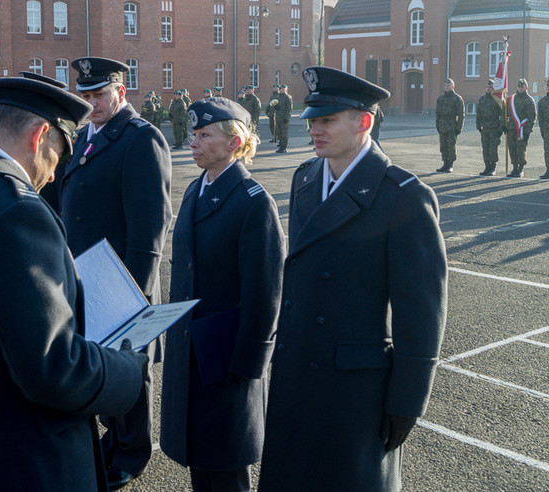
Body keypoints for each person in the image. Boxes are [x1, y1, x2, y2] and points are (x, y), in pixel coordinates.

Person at [0, 76, 148, 491]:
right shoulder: (18, 212)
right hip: (18, 449)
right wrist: (127, 370)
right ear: (39, 137)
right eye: (60, 153)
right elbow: (54, 367)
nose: (54, 175)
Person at [258, 66, 447, 491]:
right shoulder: (306, 178)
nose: (314, 129)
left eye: (326, 119)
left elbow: (421, 313)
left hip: (354, 389)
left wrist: (407, 402)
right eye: (312, 119)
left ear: (364, 122)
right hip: (297, 372)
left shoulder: (402, 197)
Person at [42, 56, 173, 490]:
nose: (93, 102)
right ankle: (111, 439)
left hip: (122, 277)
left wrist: (133, 292)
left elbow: (151, 225)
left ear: (121, 90)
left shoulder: (140, 139)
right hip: (85, 274)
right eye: (87, 94)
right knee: (99, 361)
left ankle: (132, 452)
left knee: (131, 366)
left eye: (100, 94)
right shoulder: (84, 138)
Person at [160, 98, 285, 492]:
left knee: (227, 468)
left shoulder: (252, 202)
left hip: (226, 358)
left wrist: (248, 366)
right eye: (194, 134)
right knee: (201, 459)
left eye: (204, 135)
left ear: (235, 142)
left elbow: (266, 293)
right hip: (193, 351)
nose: (194, 142)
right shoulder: (197, 189)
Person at [506, 79, 537, 178]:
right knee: (512, 148)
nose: (520, 88)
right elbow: (506, 113)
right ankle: (514, 167)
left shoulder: (529, 100)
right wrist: (504, 125)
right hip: (511, 128)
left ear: (526, 88)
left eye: (522, 87)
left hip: (522, 129)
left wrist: (528, 130)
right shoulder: (511, 99)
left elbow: (532, 117)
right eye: (519, 87)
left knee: (521, 149)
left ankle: (520, 169)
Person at [476, 79, 506, 176]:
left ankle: (493, 167)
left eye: (490, 87)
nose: (488, 89)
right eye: (487, 87)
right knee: (485, 148)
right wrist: (478, 125)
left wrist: (501, 127)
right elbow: (479, 113)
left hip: (494, 127)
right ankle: (487, 166)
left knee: (493, 148)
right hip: (485, 127)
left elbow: (503, 114)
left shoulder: (497, 99)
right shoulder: (482, 99)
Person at [435, 78, 465, 173]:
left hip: (452, 125)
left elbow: (461, 115)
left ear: (453, 87)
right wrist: (437, 125)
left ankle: (450, 165)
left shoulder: (457, 99)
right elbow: (437, 113)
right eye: (446, 85)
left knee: (451, 146)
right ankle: (445, 164)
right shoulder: (440, 99)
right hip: (442, 125)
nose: (447, 87)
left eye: (449, 85)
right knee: (443, 146)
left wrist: (459, 127)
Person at [274, 84, 293, 153]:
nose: (281, 90)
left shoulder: (288, 97)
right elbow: (274, 104)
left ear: (286, 90)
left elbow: (289, 109)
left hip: (284, 118)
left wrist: (287, 117)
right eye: (281, 89)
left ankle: (284, 147)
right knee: (279, 132)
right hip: (278, 117)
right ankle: (281, 146)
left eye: (283, 89)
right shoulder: (278, 97)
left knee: (284, 133)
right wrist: (275, 107)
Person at [539, 79, 549, 179]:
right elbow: (540, 118)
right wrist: (542, 130)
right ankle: (548, 170)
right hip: (546, 129)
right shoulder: (542, 102)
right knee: (547, 150)